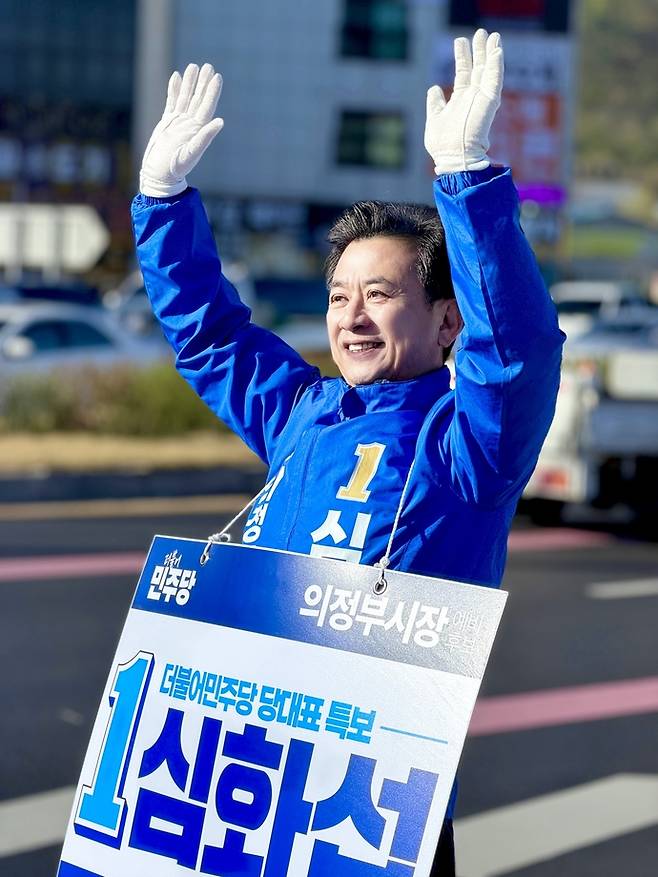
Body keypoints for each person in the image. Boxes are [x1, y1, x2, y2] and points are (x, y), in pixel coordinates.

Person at [132, 29, 564, 876]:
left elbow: (515, 359)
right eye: (339, 296)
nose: (352, 317)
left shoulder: (465, 444)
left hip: (366, 806)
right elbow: (212, 339)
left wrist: (469, 183)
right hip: (251, 776)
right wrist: (161, 201)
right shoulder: (304, 410)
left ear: (446, 321)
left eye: (381, 294)